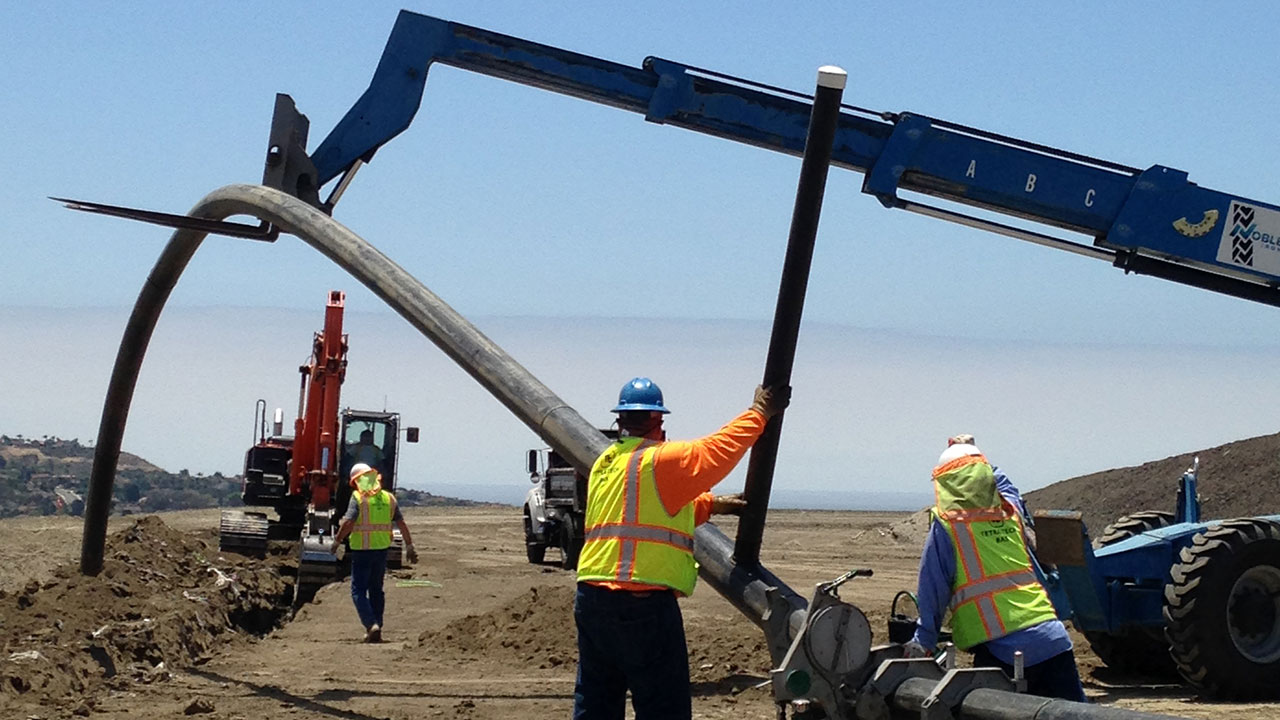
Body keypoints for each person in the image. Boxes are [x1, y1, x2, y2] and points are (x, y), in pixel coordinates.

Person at [573, 376, 789, 720]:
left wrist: (710, 505)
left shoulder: (608, 462)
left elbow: (648, 510)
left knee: (596, 700)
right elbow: (719, 449)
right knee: (663, 706)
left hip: (592, 599)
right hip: (641, 604)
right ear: (658, 421)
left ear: (620, 420)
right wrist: (760, 411)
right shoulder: (661, 460)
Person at [906, 435, 1085, 702]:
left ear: (944, 483)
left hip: (1002, 653)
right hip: (1053, 640)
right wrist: (973, 453)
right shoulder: (1009, 513)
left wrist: (923, 642)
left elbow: (932, 590)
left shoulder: (946, 528)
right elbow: (1004, 482)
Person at [330, 462, 419, 643]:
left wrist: (337, 541)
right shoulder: (389, 498)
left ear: (356, 482)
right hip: (381, 550)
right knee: (376, 590)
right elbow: (401, 523)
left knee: (358, 590)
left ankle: (371, 625)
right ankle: (377, 624)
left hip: (362, 551)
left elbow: (348, 522)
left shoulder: (358, 497)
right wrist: (409, 545)